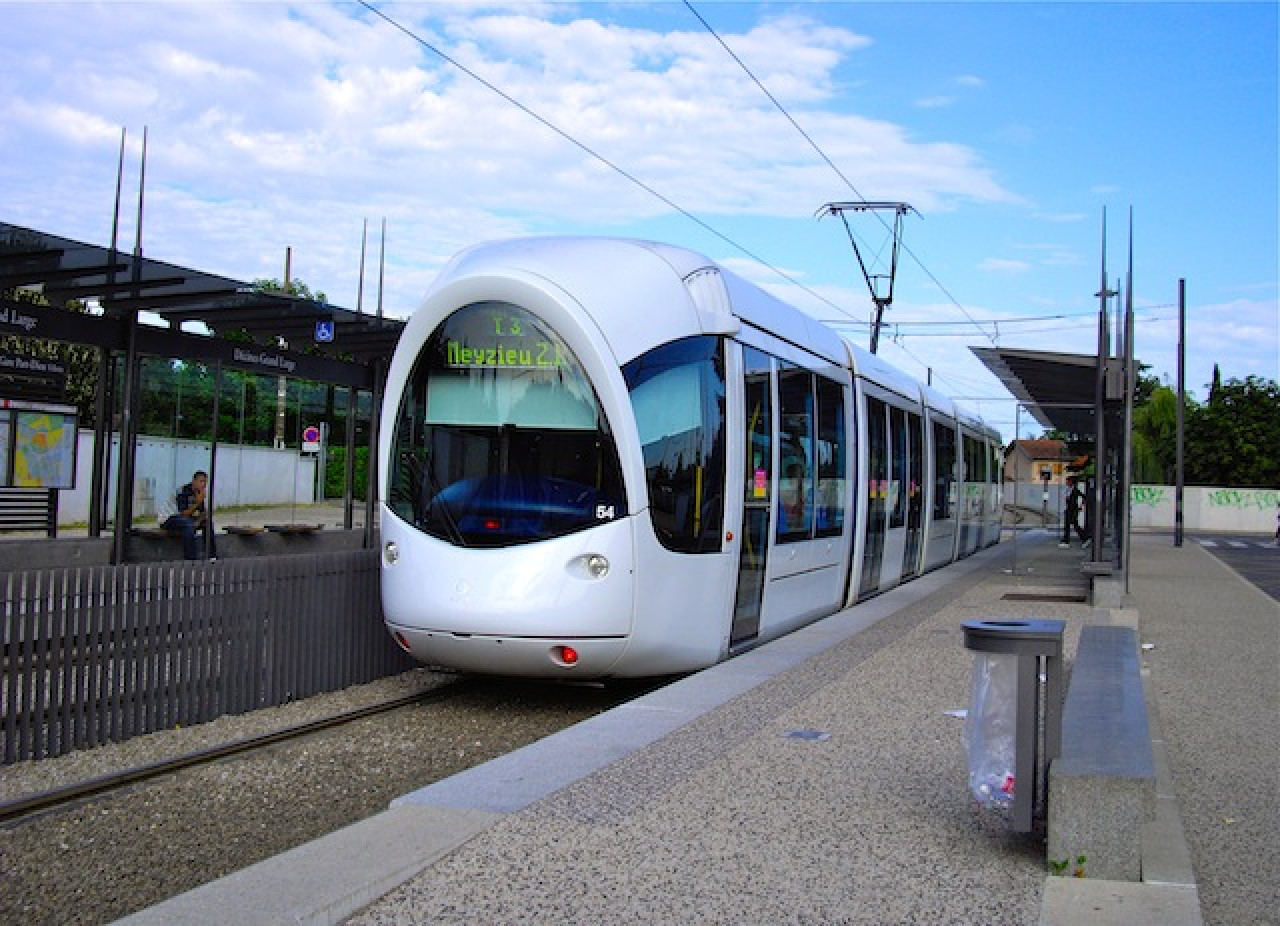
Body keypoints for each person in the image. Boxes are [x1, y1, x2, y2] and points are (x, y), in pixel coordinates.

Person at [161, 470, 216, 560]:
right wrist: (197, 503)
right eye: (201, 481)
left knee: (207, 523)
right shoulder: (183, 491)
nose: (204, 485)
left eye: (205, 482)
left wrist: (202, 518)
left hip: (186, 519)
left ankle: (212, 556)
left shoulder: (199, 494)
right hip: (168, 518)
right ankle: (190, 559)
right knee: (188, 524)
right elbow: (183, 514)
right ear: (194, 481)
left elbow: (200, 513)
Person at [1059, 475, 1087, 547]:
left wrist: (1081, 505)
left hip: (1073, 509)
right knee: (1067, 525)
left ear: (1072, 482)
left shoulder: (1075, 490)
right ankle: (1066, 540)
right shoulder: (1069, 489)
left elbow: (1084, 497)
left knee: (1075, 525)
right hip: (1069, 509)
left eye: (1068, 481)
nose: (1067, 482)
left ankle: (1084, 538)